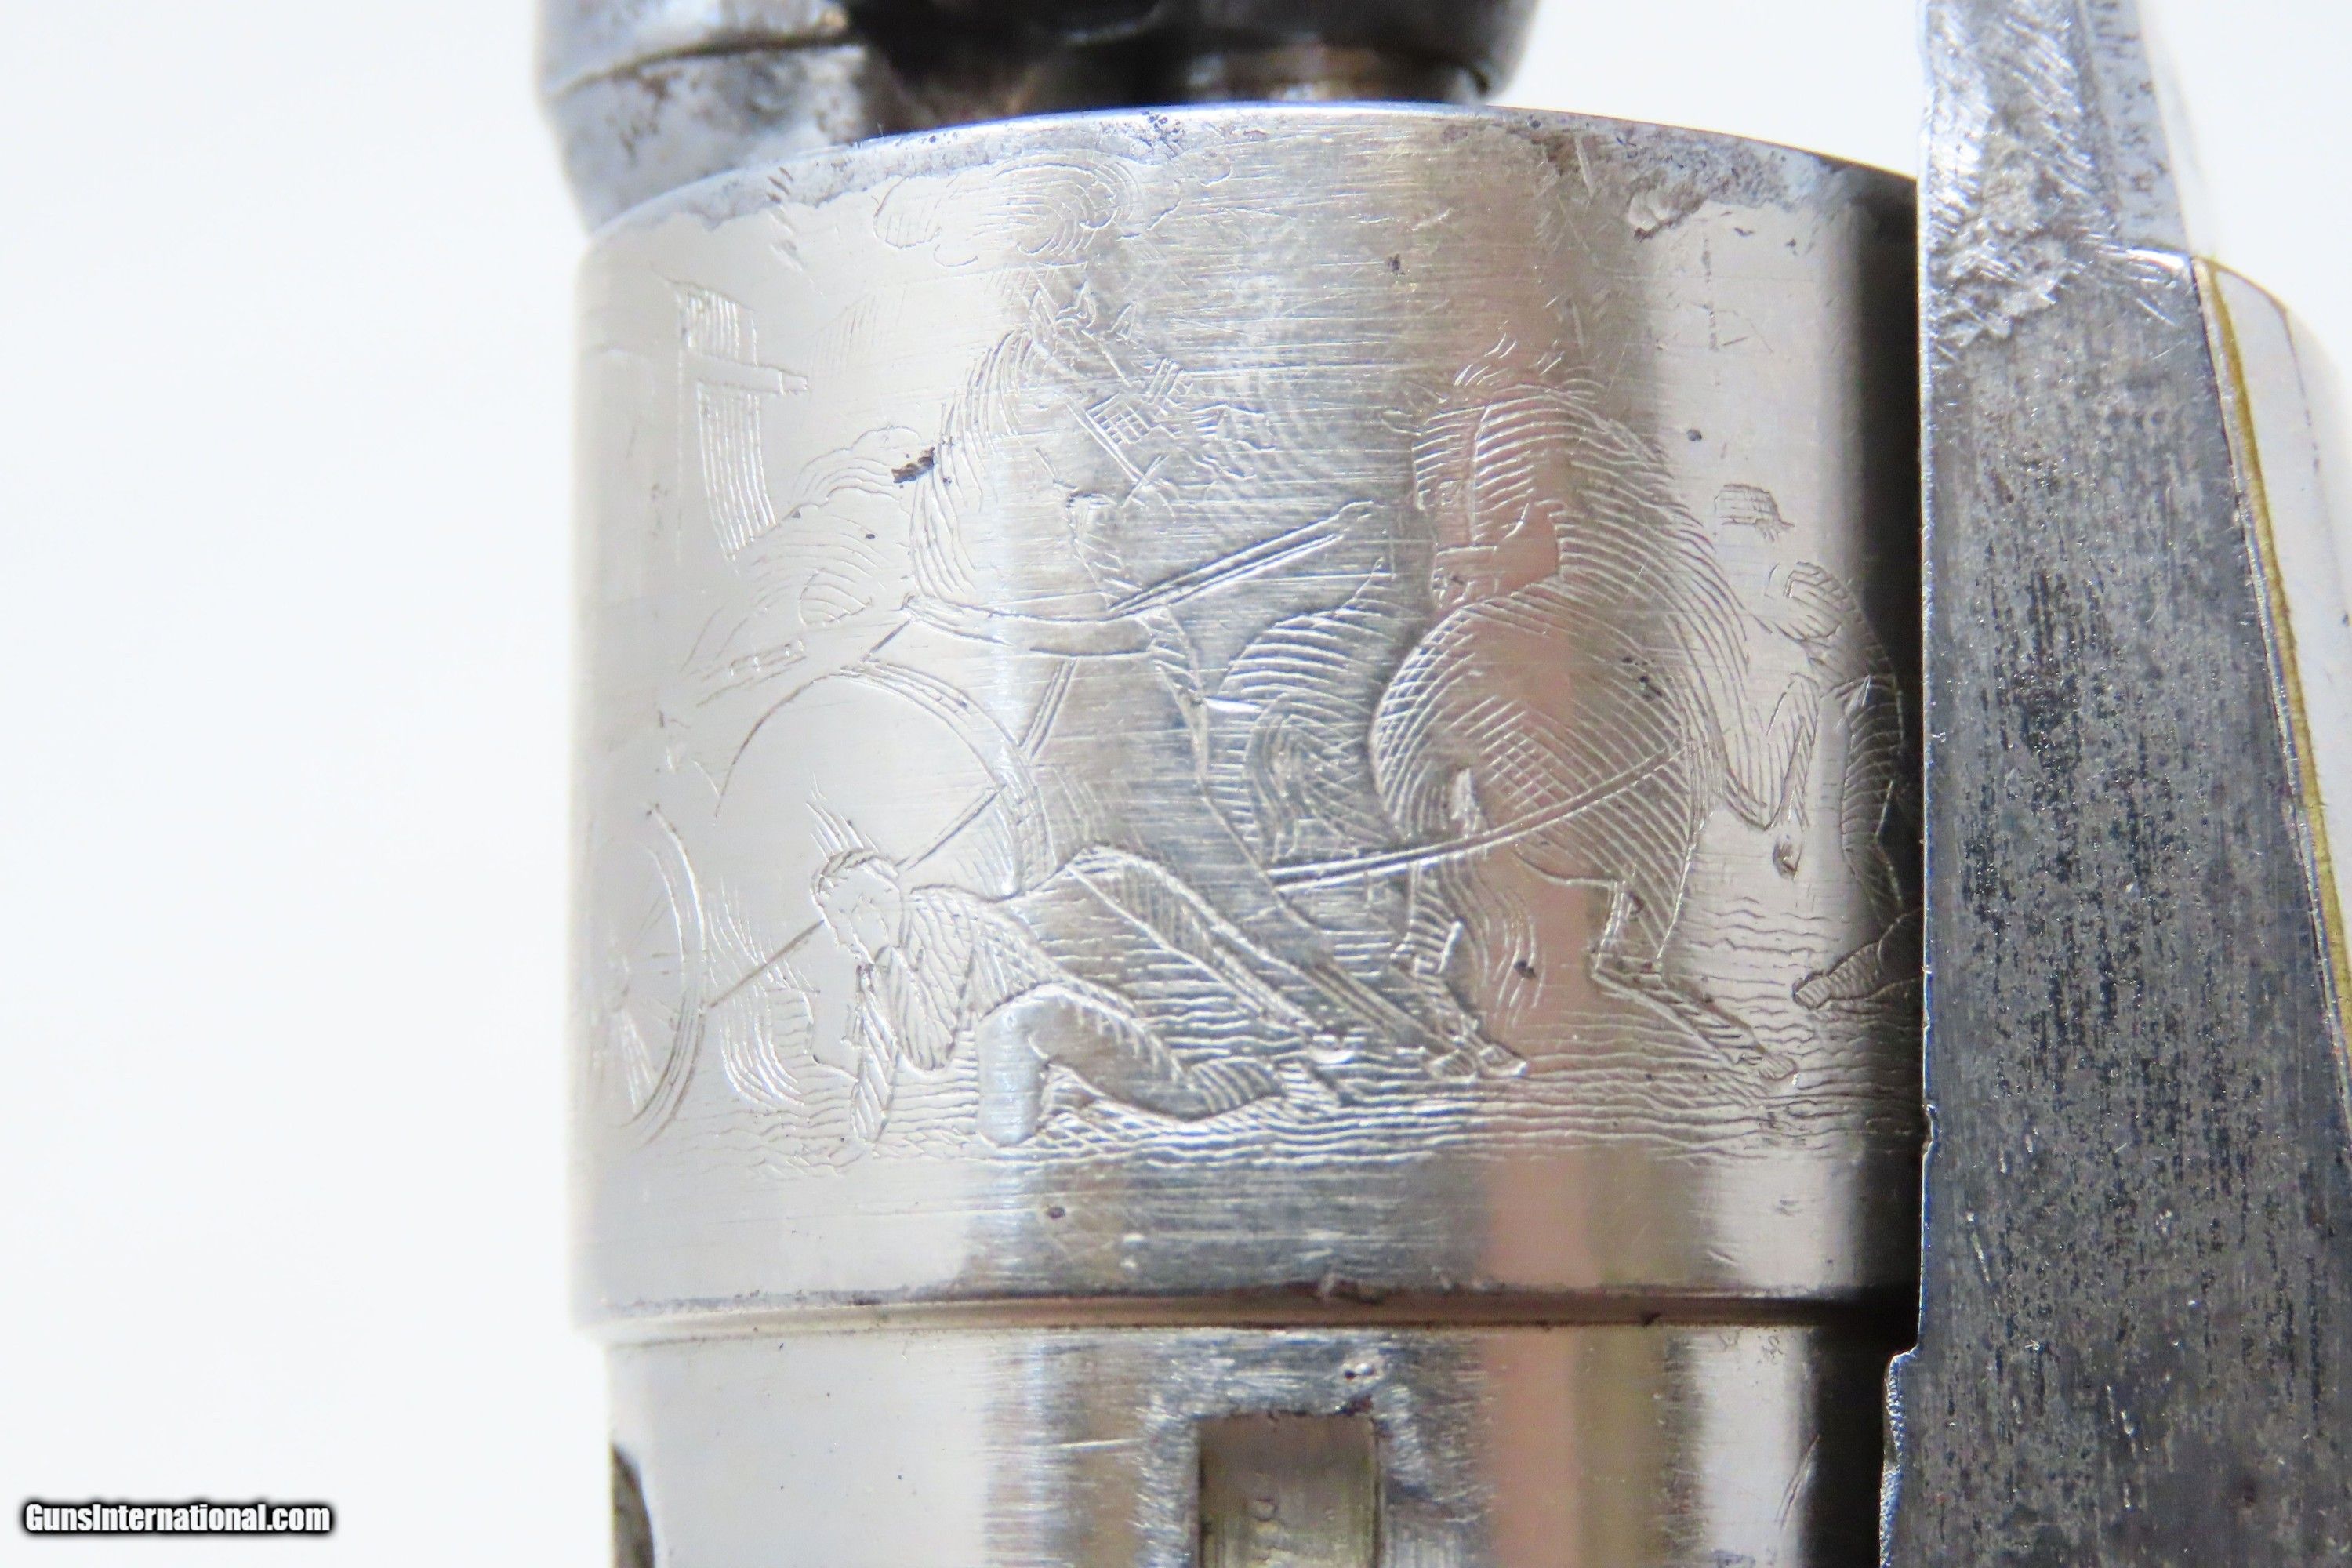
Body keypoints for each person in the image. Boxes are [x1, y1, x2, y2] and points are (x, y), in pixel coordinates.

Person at [809, 843, 1303, 1147]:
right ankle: (1067, 1102)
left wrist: (889, 963)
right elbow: (877, 1073)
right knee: (1005, 1124)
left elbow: (930, 1050)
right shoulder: (880, 971)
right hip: (1029, 1048)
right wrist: (852, 1148)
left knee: (1182, 1098)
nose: (841, 940)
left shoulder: (943, 920)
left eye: (842, 924)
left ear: (871, 908)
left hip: (1062, 1019)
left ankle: (1281, 1076)